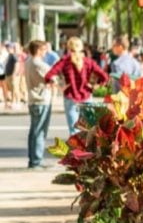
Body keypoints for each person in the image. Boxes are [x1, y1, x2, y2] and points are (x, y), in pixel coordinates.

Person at [44, 37, 109, 135]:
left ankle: (76, 150)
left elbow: (48, 76)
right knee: (88, 131)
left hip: (71, 97)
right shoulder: (88, 61)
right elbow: (104, 77)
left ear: (68, 47)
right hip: (86, 96)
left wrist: (59, 87)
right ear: (81, 47)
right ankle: (87, 150)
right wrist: (95, 86)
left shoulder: (64, 61)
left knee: (74, 132)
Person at [25, 41, 54, 169]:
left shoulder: (28, 62)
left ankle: (33, 160)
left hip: (33, 99)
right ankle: (37, 160)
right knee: (40, 132)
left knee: (34, 131)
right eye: (43, 49)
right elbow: (52, 79)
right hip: (42, 100)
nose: (45, 52)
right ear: (38, 50)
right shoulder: (40, 64)